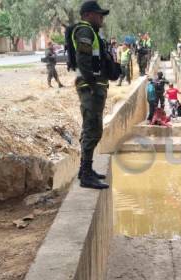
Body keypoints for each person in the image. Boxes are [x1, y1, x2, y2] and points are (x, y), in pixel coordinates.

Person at [73, 1, 111, 189]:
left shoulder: (92, 32)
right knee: (92, 128)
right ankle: (86, 175)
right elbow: (83, 60)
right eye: (99, 14)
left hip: (94, 87)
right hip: (90, 88)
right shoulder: (85, 31)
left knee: (93, 129)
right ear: (88, 15)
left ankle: (85, 170)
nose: (101, 18)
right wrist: (93, 86)